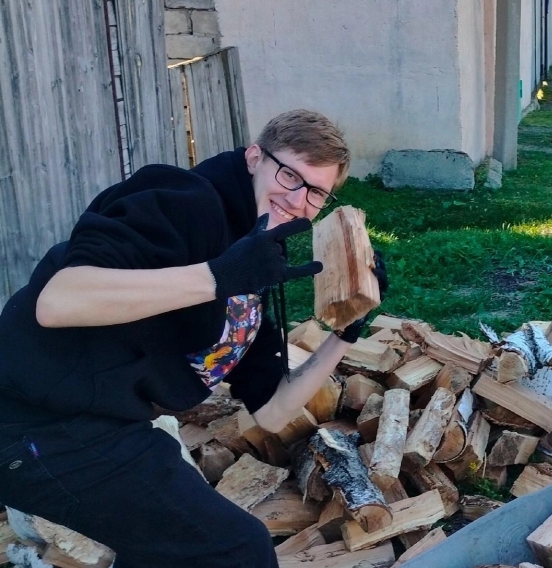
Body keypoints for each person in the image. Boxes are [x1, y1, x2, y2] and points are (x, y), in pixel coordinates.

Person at [0, 109, 386, 567]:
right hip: (35, 424)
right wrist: (218, 276)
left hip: (109, 426)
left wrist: (346, 331)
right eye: (289, 175)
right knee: (234, 549)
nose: (298, 199)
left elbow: (273, 410)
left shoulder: (257, 258)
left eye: (316, 192)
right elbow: (58, 301)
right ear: (254, 158)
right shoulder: (183, 199)